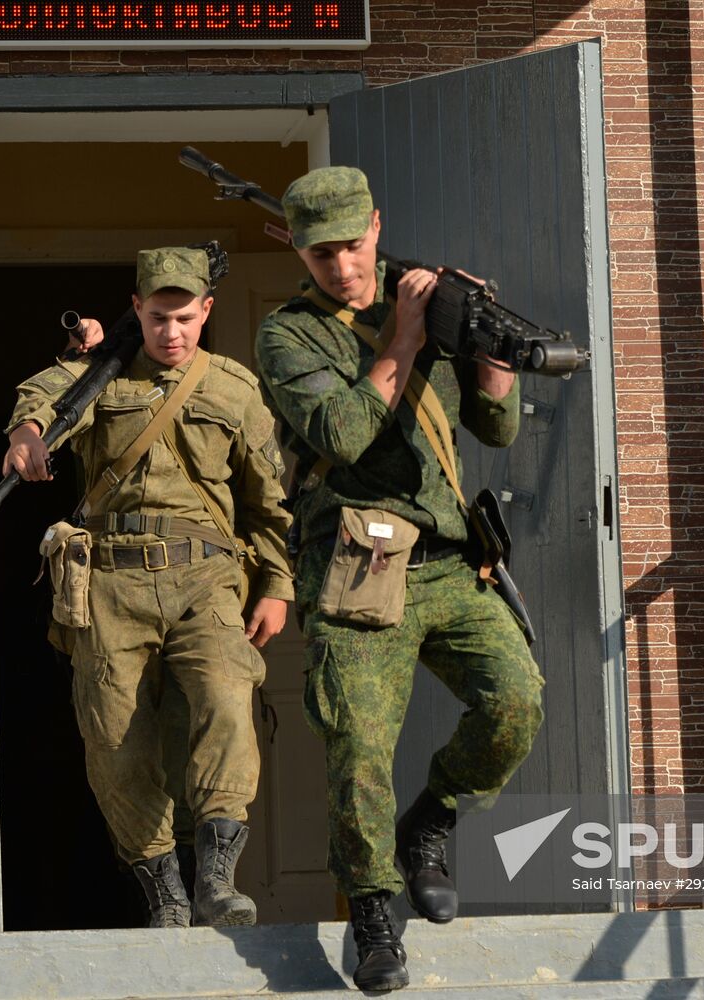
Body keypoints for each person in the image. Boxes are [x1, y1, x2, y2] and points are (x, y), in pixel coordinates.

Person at [251, 167, 545, 992]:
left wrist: (484, 354)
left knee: (515, 702)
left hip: (451, 559)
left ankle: (434, 817)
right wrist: (404, 338)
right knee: (357, 750)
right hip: (356, 563)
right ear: (299, 253)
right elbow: (342, 432)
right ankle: (375, 912)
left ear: (375, 226)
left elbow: (495, 424)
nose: (341, 267)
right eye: (320, 255)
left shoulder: (433, 299)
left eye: (351, 246)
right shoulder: (289, 334)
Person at [2, 247, 294, 929]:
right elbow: (41, 401)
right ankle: (163, 888)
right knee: (111, 736)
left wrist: (276, 586)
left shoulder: (232, 387)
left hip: (207, 577)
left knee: (225, 701)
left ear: (207, 312)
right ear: (137, 308)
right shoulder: (99, 375)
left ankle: (218, 877)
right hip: (111, 582)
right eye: (159, 317)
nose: (172, 332)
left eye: (185, 318)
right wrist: (28, 430)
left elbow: (268, 501)